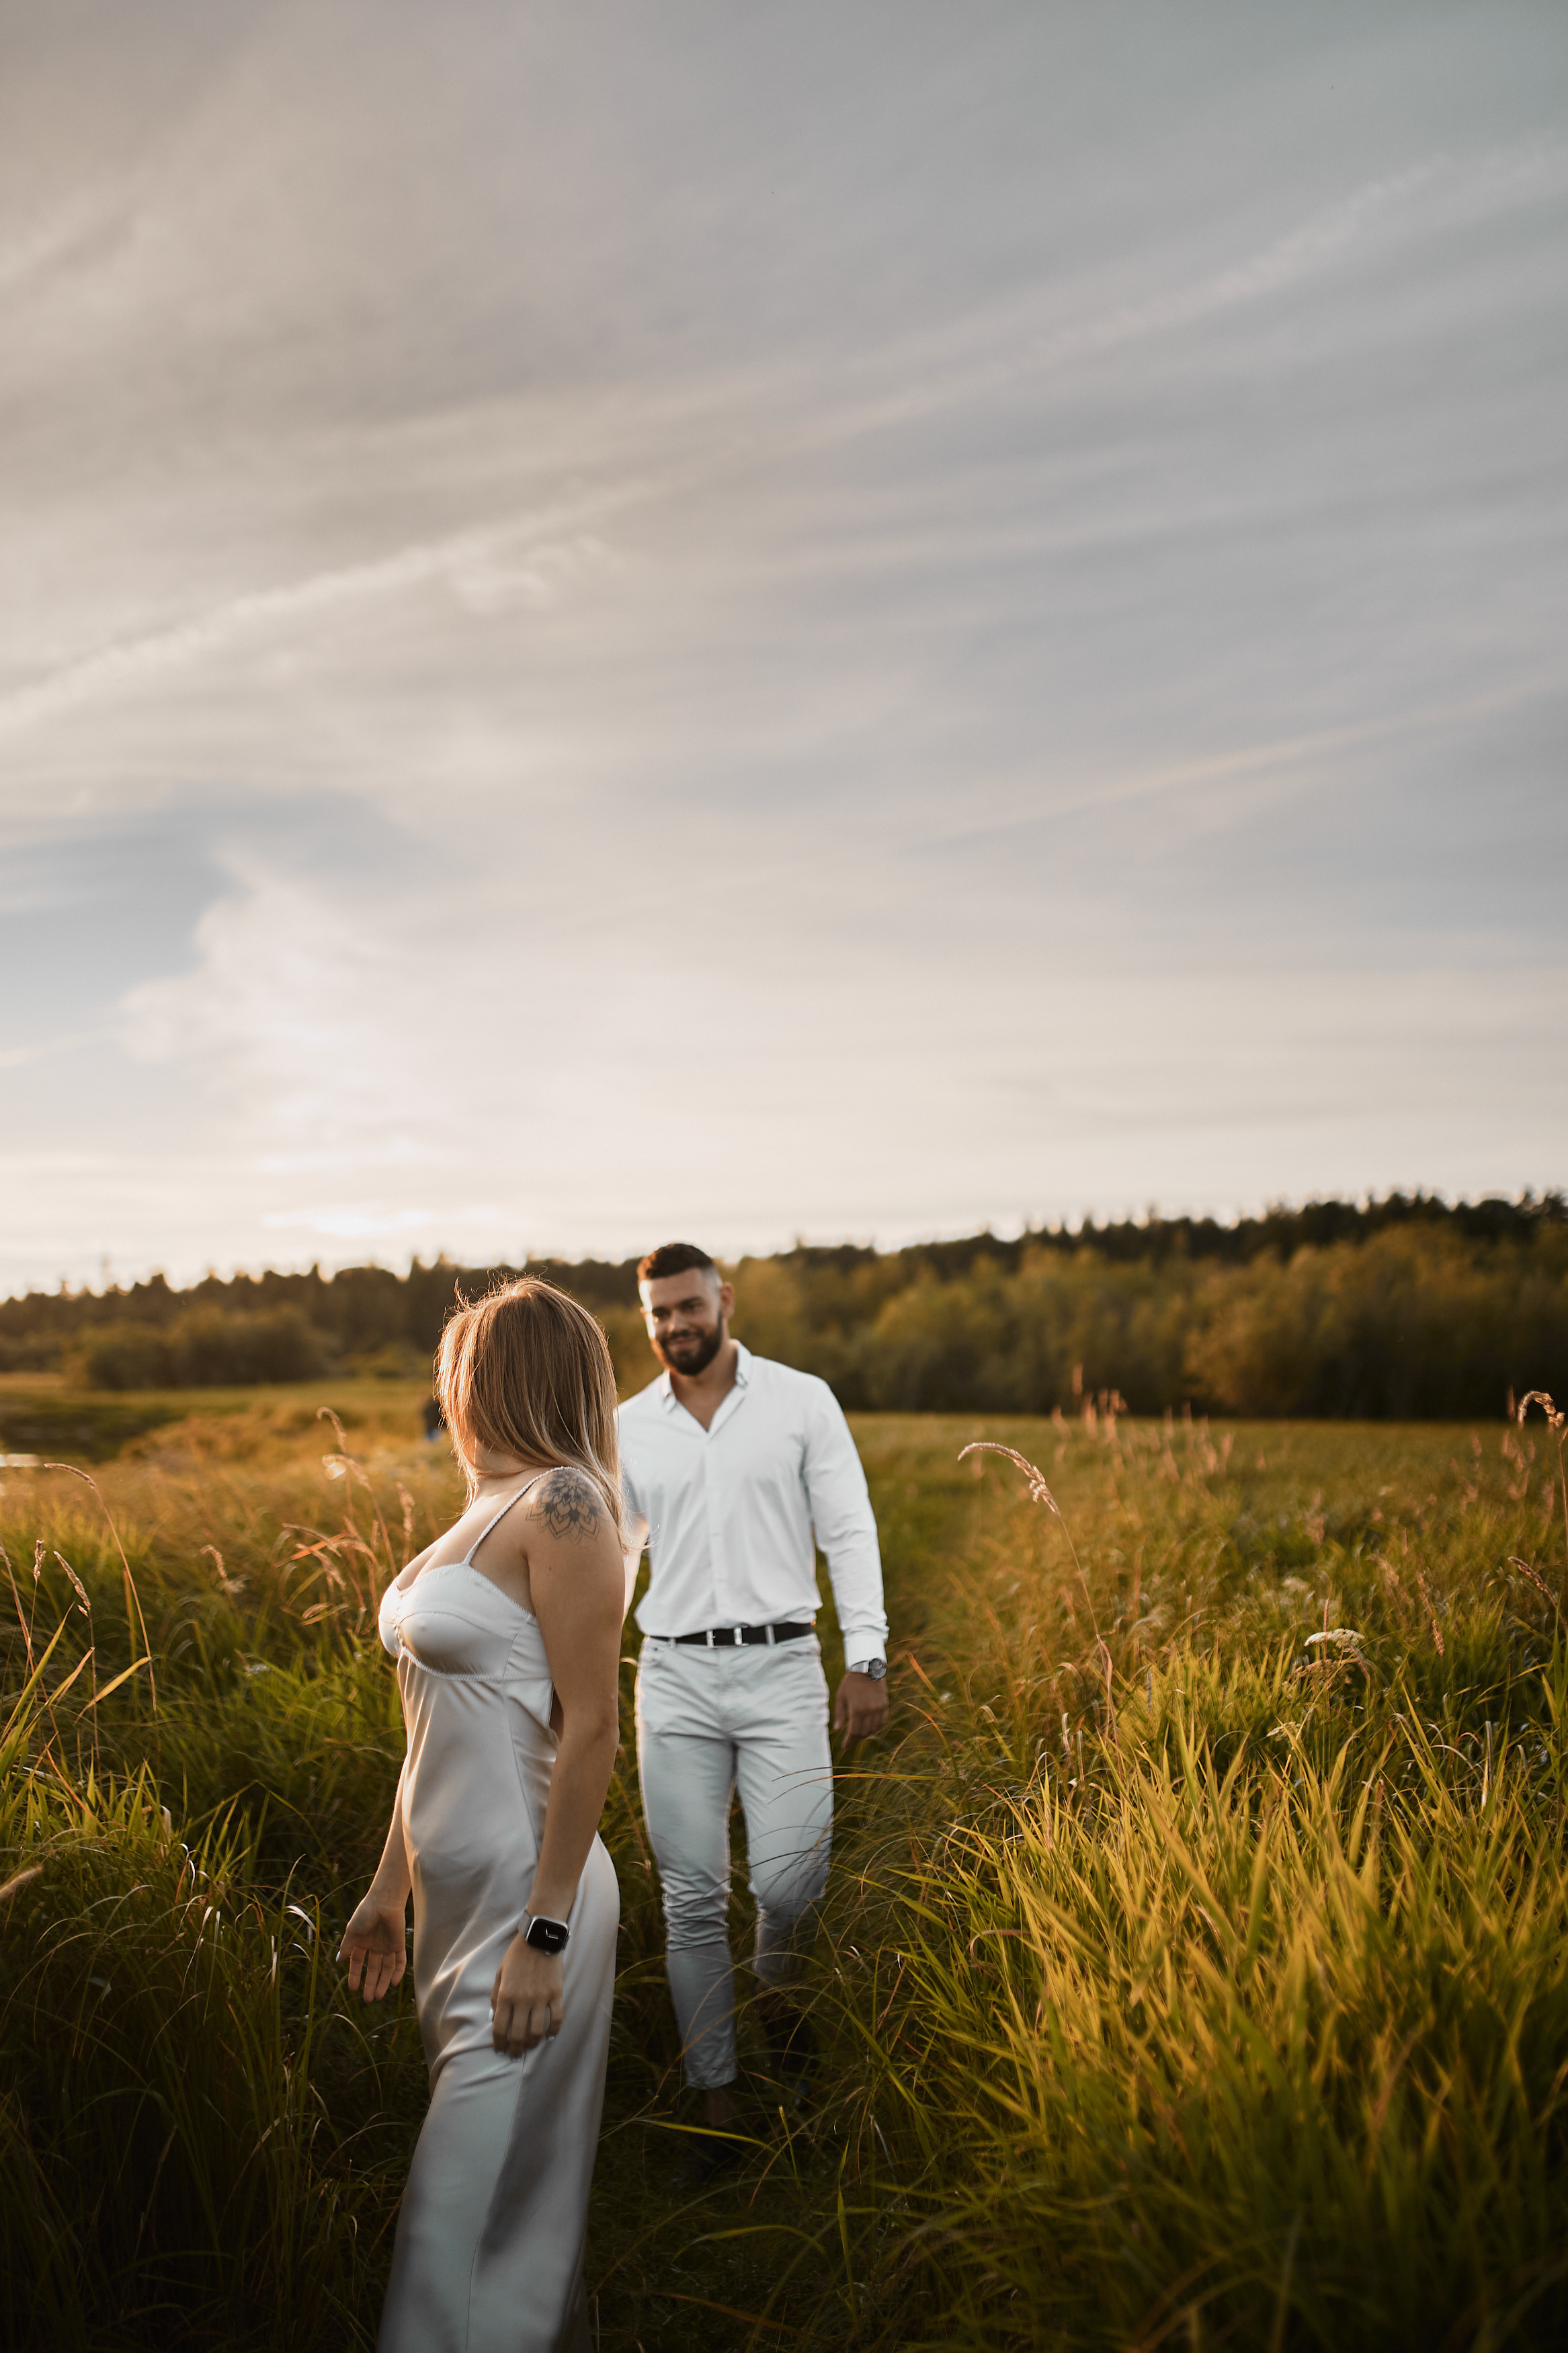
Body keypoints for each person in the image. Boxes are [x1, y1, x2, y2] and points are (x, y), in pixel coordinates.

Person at [339, 1279, 628, 2353]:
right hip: (450, 1913)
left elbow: (593, 1725)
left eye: (458, 1370)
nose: (446, 1393)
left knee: (453, 2224)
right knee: (490, 2202)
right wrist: (385, 1891)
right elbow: (432, 1733)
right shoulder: (482, 1507)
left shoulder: (567, 1505)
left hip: (525, 1897)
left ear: (502, 1378)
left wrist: (543, 1933)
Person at [618, 1241, 889, 2176]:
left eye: (687, 1306)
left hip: (782, 1673)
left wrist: (868, 1656)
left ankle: (778, 1996)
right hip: (674, 1678)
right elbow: (610, 1564)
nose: (674, 1327)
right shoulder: (626, 1427)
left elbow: (847, 1530)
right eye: (658, 1314)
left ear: (723, 1299)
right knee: (691, 1899)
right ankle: (718, 2101)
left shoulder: (800, 1400)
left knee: (785, 1885)